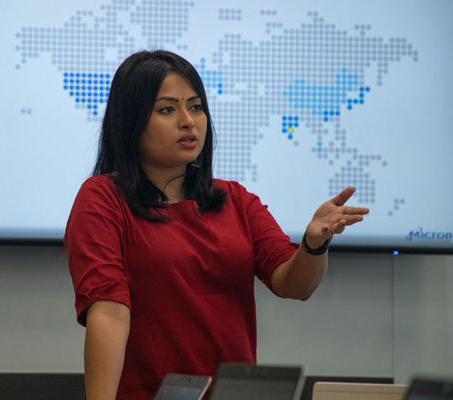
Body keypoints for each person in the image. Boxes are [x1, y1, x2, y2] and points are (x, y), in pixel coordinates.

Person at [64, 50, 369, 400]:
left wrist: (314, 244)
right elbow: (109, 311)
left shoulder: (234, 198)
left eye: (195, 107)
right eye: (167, 109)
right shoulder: (103, 198)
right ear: (131, 122)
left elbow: (293, 284)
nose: (188, 121)